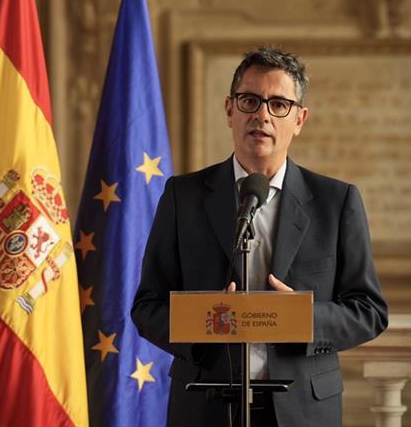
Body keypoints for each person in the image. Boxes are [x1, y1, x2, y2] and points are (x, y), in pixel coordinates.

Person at [131, 46, 388, 427]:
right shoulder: (182, 197)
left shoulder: (337, 201)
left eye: (279, 104)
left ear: (299, 119)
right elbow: (147, 306)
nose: (262, 115)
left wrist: (302, 319)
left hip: (303, 409)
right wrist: (204, 328)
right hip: (205, 407)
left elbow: (369, 311)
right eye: (250, 100)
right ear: (230, 110)